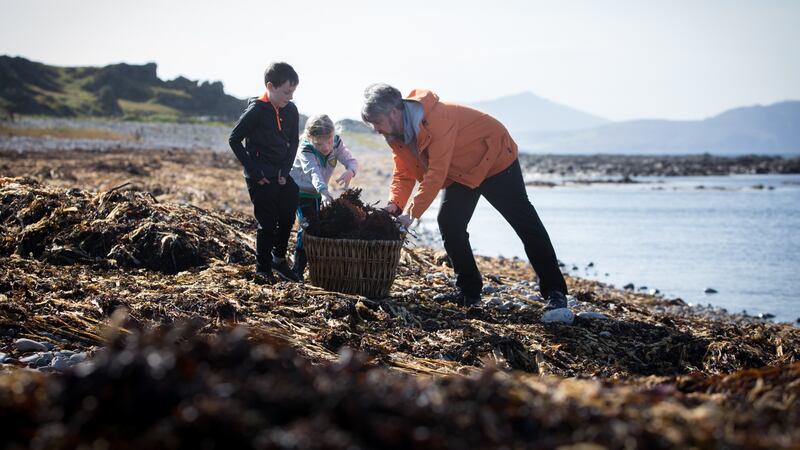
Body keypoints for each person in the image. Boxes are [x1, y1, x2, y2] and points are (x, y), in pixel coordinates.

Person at [361, 84, 569, 308]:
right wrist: (396, 205)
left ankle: (555, 291)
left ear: (393, 113)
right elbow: (404, 172)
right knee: (450, 224)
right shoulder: (395, 135)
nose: (376, 129)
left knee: (525, 224)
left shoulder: (437, 118)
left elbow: (437, 172)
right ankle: (468, 291)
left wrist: (412, 213)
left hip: (496, 160)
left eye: (377, 122)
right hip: (462, 171)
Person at [228, 62, 301, 282]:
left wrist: (285, 170)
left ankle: (278, 259)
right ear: (270, 86)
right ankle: (263, 269)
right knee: (267, 223)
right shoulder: (257, 110)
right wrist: (255, 171)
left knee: (289, 212)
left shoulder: (291, 109)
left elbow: (294, 142)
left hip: (280, 174)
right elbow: (234, 139)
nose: (290, 96)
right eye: (286, 92)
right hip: (259, 176)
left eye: (293, 92)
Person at [289, 114, 359, 279]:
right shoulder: (305, 148)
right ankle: (297, 270)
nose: (326, 147)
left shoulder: (336, 142)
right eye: (319, 144)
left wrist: (350, 171)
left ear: (333, 133)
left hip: (318, 193)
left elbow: (351, 160)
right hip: (299, 190)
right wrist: (324, 191)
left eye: (328, 141)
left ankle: (318, 267)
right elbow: (313, 171)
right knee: (306, 226)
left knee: (318, 226)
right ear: (309, 138)